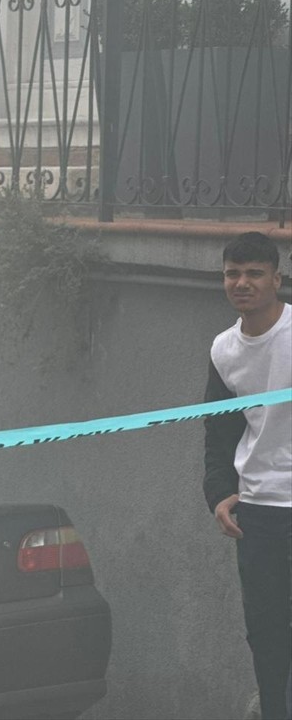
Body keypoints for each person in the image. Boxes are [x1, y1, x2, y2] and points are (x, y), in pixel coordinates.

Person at [203, 231, 291, 720]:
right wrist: (219, 492)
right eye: (233, 273)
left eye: (254, 273)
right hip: (257, 512)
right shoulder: (223, 350)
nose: (242, 282)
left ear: (276, 279)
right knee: (266, 630)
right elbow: (219, 432)